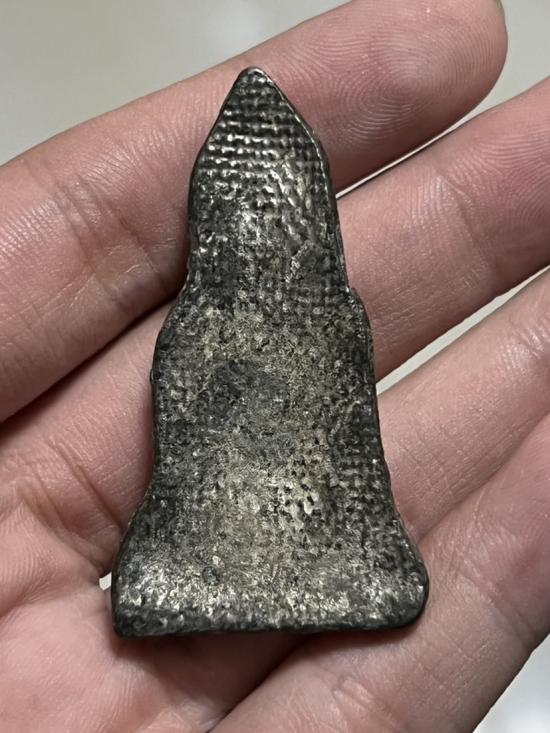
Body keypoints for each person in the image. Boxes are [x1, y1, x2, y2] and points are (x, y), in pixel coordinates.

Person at [1, 0, 548, 730]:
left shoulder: (320, 318)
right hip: (195, 564)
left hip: (336, 559)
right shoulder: (209, 321)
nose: (259, 226)